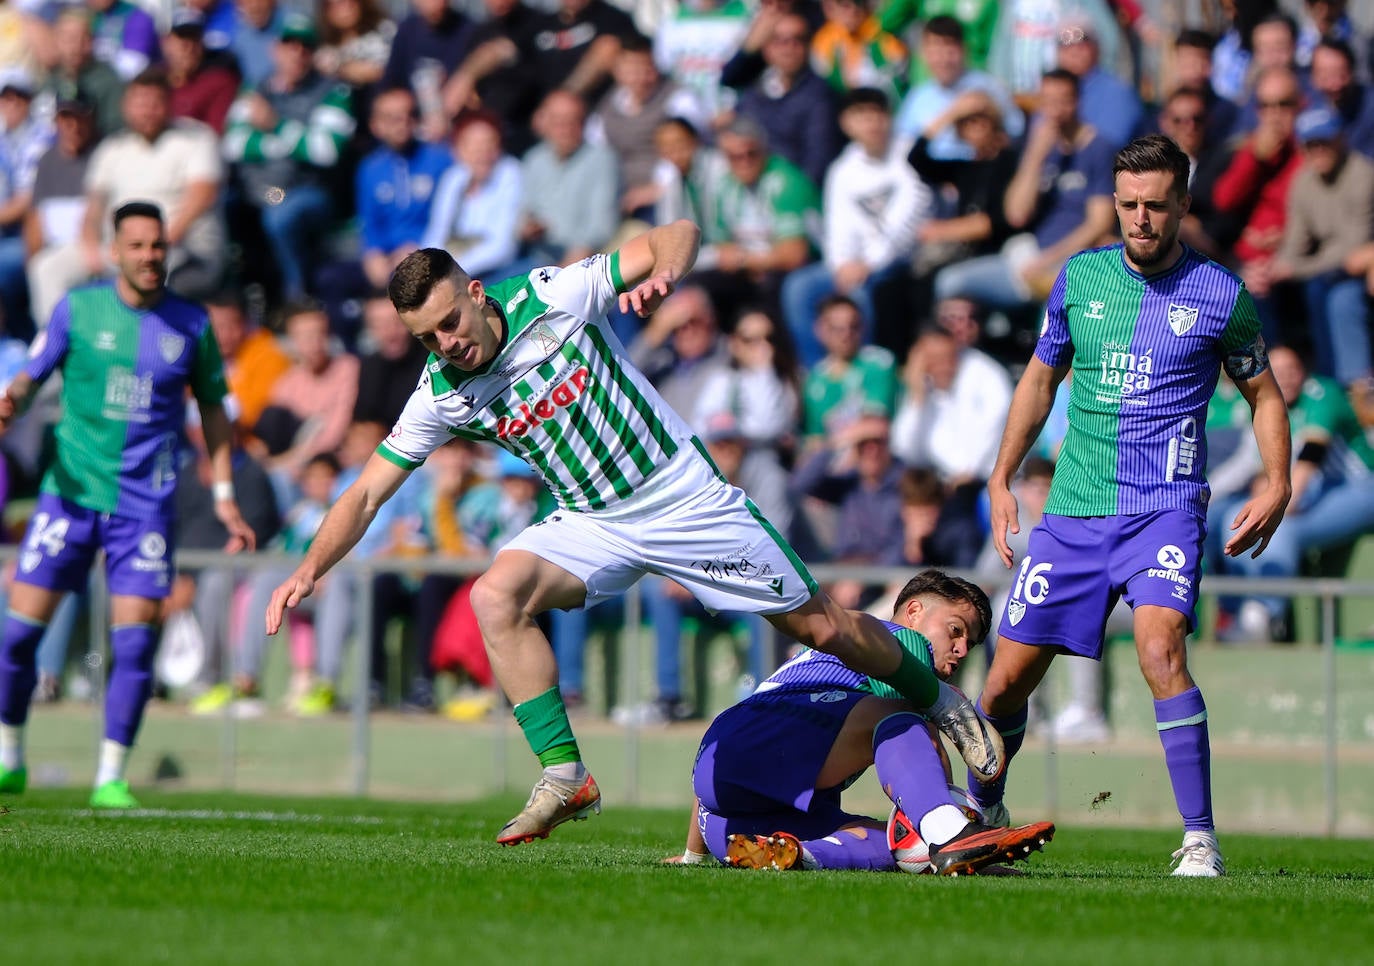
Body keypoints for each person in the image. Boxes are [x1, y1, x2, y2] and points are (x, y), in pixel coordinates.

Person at [263, 218, 1005, 845]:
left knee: (825, 628)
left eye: (450, 322)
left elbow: (675, 234)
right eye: (427, 338)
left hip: (681, 497)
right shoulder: (441, 392)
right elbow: (364, 494)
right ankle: (565, 775)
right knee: (497, 594)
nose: (447, 344)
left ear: (476, 292)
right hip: (593, 519)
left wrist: (666, 275)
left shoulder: (552, 294)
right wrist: (311, 567)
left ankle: (939, 700)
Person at [977, 135, 1292, 878]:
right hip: (1075, 510)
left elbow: (1265, 395)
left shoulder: (1221, 294)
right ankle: (979, 811)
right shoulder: (1079, 278)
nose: (1141, 220)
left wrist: (1276, 482)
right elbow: (1037, 382)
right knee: (1001, 684)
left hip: (1165, 511)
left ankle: (1200, 838)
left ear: (1182, 203)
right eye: (1128, 206)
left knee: (1160, 650)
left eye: (1155, 205)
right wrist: (1001, 476)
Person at [0, 200, 256, 807]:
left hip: (145, 508)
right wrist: (10, 399)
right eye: (136, 245)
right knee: (15, 638)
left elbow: (214, 412)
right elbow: (31, 375)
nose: (148, 256)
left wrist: (223, 496)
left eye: (157, 245)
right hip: (69, 498)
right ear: (113, 251)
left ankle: (110, 777)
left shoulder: (191, 325)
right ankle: (9, 753)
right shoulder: (78, 309)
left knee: (136, 645)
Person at [679, 570, 1054, 875]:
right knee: (904, 720)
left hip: (723, 822)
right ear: (914, 611)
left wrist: (692, 856)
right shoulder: (904, 640)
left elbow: (722, 760)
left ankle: (795, 855)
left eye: (969, 644)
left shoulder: (835, 658)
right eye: (955, 630)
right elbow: (918, 735)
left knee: (892, 844)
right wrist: (957, 820)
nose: (960, 649)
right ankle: (950, 834)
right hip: (764, 739)